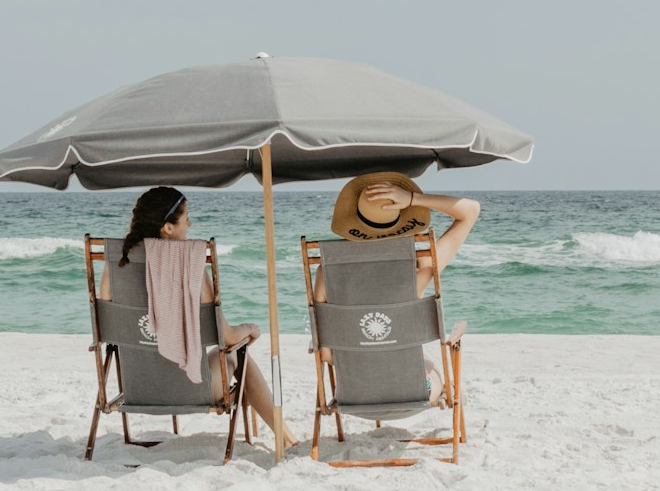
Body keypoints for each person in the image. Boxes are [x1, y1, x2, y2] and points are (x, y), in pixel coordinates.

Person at [99, 186, 299, 449]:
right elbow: (225, 337)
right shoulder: (190, 265)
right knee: (239, 356)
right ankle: (287, 439)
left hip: (136, 388)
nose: (190, 224)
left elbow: (106, 325)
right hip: (192, 389)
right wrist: (249, 329)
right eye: (186, 218)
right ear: (168, 228)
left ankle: (287, 437)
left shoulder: (116, 265)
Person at [316, 171, 481, 402]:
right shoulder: (421, 269)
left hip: (354, 395)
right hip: (416, 393)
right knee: (430, 366)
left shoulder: (327, 270)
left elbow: (326, 355)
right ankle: (445, 389)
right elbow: (471, 211)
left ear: (354, 217)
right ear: (402, 219)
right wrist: (414, 199)